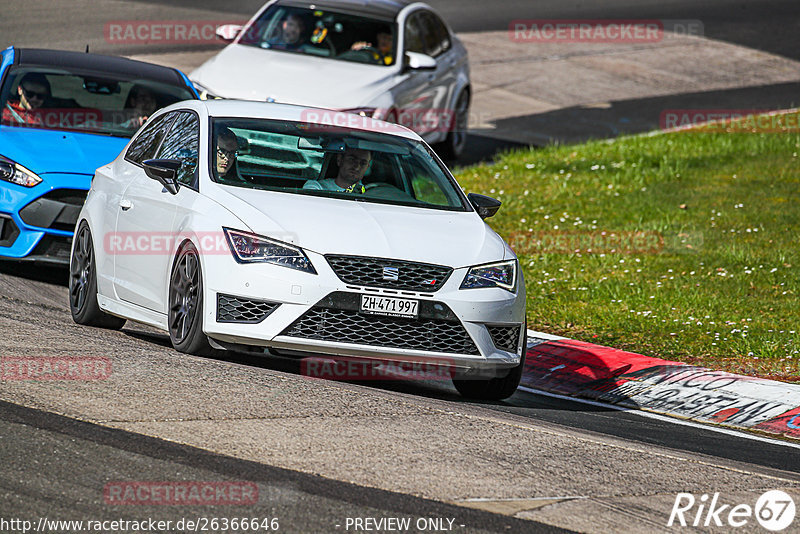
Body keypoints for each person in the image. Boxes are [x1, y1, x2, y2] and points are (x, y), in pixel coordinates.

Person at [304, 148, 371, 193]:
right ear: (339, 159)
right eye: (352, 160)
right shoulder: (317, 187)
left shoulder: (370, 193)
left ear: (367, 167)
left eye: (363, 163)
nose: (357, 167)